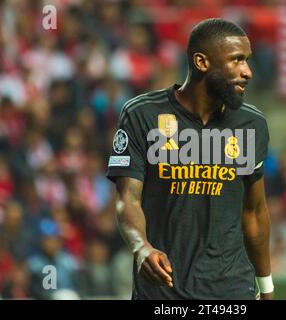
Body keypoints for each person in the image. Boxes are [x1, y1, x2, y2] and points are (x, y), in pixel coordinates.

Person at [106, 18, 273, 300]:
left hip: (232, 290)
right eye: (237, 60)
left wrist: (266, 287)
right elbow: (128, 199)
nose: (247, 72)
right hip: (163, 290)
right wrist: (141, 247)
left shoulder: (252, 124)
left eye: (247, 61)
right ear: (201, 62)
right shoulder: (142, 115)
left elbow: (254, 212)